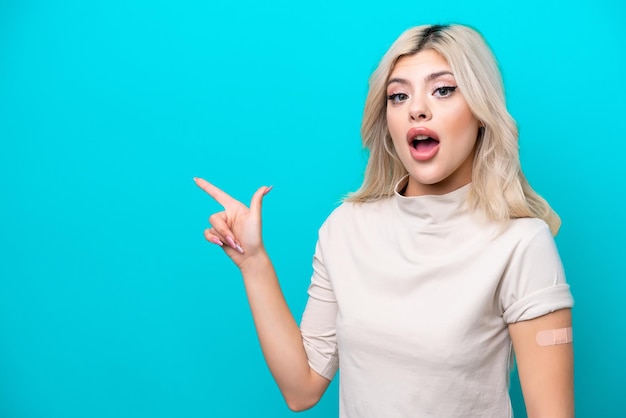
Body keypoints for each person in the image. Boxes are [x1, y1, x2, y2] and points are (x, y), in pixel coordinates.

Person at [194, 23, 574, 418]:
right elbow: (301, 388)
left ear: (481, 111)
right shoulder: (345, 228)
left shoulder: (522, 243)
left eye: (443, 89)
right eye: (398, 95)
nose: (417, 108)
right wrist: (253, 262)